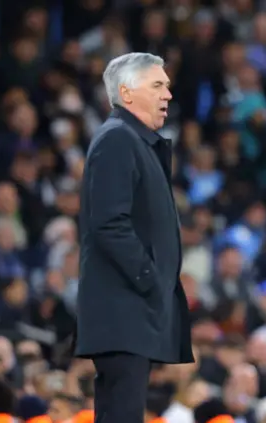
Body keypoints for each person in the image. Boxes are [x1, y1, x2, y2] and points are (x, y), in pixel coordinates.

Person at [75, 52, 194, 423]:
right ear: (126, 94)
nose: (168, 95)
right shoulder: (117, 139)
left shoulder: (134, 141)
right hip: (122, 310)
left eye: (168, 86)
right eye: (158, 85)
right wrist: (149, 279)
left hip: (130, 311)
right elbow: (109, 223)